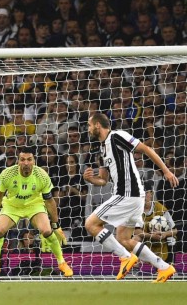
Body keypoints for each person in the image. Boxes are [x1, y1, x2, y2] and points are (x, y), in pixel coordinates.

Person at [83, 112, 179, 283]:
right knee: (124, 238)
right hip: (132, 197)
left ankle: (126, 258)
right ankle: (164, 267)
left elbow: (146, 149)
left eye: (89, 125)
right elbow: (104, 180)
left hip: (127, 193)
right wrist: (91, 179)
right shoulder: (102, 148)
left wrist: (166, 171)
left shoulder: (117, 136)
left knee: (90, 224)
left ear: (97, 125)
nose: (88, 129)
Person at [0, 146, 73, 278]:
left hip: (34, 205)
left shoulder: (41, 175)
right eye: (22, 159)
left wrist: (56, 225)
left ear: (34, 161)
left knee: (46, 230)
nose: (26, 163)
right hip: (12, 206)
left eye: (29, 159)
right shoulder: (7, 173)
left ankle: (62, 263)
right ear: (18, 161)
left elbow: (50, 201)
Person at [134, 181, 178, 263]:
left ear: (151, 193)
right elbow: (137, 231)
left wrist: (164, 234)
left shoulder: (161, 209)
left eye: (146, 193)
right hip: (146, 237)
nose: (143, 196)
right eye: (140, 194)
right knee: (135, 238)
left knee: (171, 238)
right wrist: (151, 236)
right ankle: (135, 266)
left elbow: (175, 230)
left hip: (161, 237)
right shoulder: (136, 209)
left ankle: (169, 264)